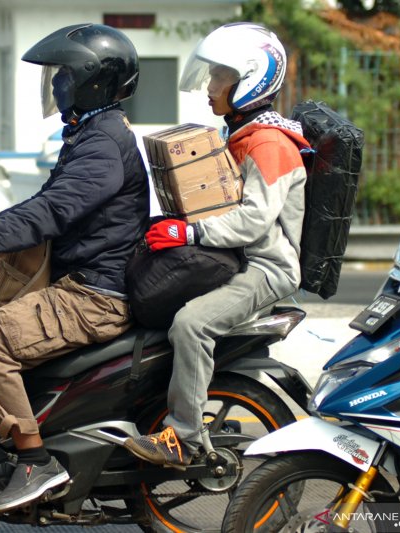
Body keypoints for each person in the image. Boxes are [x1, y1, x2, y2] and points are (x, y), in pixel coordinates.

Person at [0, 23, 149, 512]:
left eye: (65, 75)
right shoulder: (91, 135)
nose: (56, 85)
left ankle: (35, 461)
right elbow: (46, 202)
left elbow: (53, 213)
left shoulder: (102, 143)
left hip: (92, 296)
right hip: (81, 282)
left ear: (94, 81)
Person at [124, 22, 311, 468]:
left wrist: (188, 234)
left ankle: (184, 438)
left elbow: (252, 221)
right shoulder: (243, 132)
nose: (210, 87)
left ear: (250, 81)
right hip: (233, 257)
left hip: (265, 268)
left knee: (191, 324)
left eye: (219, 78)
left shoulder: (268, 143)